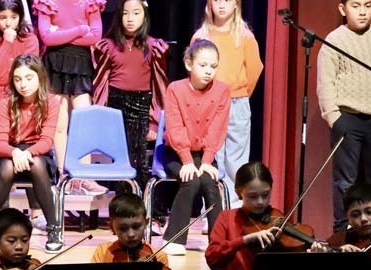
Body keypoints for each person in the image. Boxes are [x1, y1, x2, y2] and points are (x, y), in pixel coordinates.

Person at [316, 0, 371, 232]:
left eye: (368, 5)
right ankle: (344, 231)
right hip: (348, 119)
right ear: (343, 8)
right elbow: (326, 84)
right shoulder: (334, 40)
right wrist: (335, 117)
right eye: (356, 5)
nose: (362, 11)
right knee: (345, 181)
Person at [0, 54, 63, 253]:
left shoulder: (52, 101)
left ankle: (54, 228)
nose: (23, 84)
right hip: (9, 153)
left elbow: (46, 141)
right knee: (7, 167)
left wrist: (26, 154)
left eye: (28, 78)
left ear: (40, 77)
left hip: (37, 154)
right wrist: (16, 152)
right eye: (17, 79)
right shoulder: (6, 103)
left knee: (38, 164)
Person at [191, 0, 263, 208]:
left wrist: (240, 94)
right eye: (217, 0)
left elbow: (254, 69)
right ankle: (213, 210)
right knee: (212, 160)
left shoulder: (244, 36)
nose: (222, 5)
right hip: (208, 105)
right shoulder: (201, 37)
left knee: (236, 160)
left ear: (236, 5)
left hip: (236, 102)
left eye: (227, 0)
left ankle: (233, 209)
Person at [161, 39, 229, 256]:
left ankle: (219, 243)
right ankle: (174, 239)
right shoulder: (175, 89)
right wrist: (187, 160)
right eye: (203, 65)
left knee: (209, 182)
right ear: (189, 64)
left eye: (213, 66)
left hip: (204, 152)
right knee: (190, 180)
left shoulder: (222, 91)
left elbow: (218, 128)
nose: (209, 71)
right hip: (176, 151)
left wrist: (207, 160)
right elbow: (174, 127)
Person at [92, 0, 168, 191]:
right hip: (115, 107)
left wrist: (153, 122)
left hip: (141, 105)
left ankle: (143, 205)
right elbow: (101, 84)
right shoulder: (108, 46)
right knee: (117, 157)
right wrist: (101, 117)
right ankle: (121, 206)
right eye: (125, 13)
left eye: (136, 13)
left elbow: (159, 87)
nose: (130, 19)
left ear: (144, 16)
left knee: (138, 159)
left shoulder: (152, 46)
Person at [32, 0, 106, 182]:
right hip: (55, 61)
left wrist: (61, 34)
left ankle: (84, 176)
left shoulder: (90, 2)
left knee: (84, 121)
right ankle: (62, 173)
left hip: (81, 63)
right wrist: (81, 30)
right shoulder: (47, 2)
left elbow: (95, 36)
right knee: (59, 122)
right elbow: (47, 37)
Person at [0, 0, 38, 169]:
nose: (8, 22)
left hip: (21, 97)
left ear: (20, 17)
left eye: (13, 17)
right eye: (2, 17)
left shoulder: (30, 40)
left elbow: (29, 75)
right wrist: (7, 43)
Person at [205, 160, 279, 270]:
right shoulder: (226, 218)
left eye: (265, 195)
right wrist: (244, 240)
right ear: (239, 193)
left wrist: (312, 253)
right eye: (253, 196)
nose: (260, 202)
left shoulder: (276, 218)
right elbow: (212, 260)